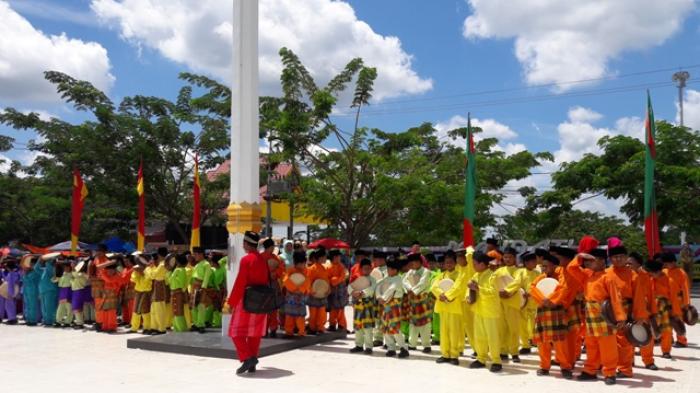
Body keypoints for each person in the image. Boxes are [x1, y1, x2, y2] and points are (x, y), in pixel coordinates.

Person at [567, 249, 626, 386]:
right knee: (591, 344)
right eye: (587, 261)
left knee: (608, 346)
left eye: (590, 260)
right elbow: (571, 268)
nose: (587, 263)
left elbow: (616, 299)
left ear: (600, 261)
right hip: (590, 313)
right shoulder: (587, 275)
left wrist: (620, 317)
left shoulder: (608, 277)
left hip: (604, 313)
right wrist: (580, 256)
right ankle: (590, 371)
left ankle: (610, 372)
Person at [226, 231, 269, 375]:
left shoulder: (246, 260)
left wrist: (231, 302)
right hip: (261, 301)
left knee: (235, 331)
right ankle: (252, 362)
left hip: (246, 301)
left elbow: (240, 283)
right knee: (254, 333)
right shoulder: (263, 259)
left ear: (245, 243)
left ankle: (247, 358)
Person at [605, 245, 645, 378]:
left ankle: (625, 369)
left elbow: (639, 296)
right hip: (608, 311)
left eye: (621, 256)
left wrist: (639, 315)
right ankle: (608, 366)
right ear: (610, 259)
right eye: (615, 257)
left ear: (626, 258)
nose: (618, 259)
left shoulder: (633, 275)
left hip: (626, 310)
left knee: (624, 342)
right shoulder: (606, 273)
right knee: (608, 341)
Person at [529, 253, 567, 376]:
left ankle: (565, 367)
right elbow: (533, 288)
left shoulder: (560, 277)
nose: (544, 269)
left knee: (560, 342)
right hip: (542, 310)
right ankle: (544, 366)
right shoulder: (540, 278)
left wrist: (551, 300)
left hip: (555, 310)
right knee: (542, 341)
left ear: (554, 266)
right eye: (542, 266)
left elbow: (562, 289)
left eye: (546, 266)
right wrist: (542, 299)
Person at [468, 252, 503, 372]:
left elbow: (493, 292)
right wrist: (468, 297)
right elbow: (470, 290)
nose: (473, 266)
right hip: (478, 309)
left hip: (490, 311)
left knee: (492, 337)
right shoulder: (476, 275)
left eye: (475, 264)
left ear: (483, 264)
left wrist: (478, 288)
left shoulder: (493, 276)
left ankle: (496, 361)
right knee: (479, 336)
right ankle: (481, 358)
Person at [431, 250, 463, 365]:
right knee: (444, 331)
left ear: (455, 263)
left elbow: (457, 288)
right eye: (446, 262)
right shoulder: (441, 275)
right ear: (444, 264)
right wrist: (441, 295)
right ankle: (445, 354)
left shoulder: (459, 275)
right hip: (443, 306)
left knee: (454, 332)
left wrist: (447, 296)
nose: (448, 264)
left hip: (453, 306)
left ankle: (454, 355)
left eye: (451, 262)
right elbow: (434, 287)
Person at [628, 252, 659, 370]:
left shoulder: (646, 276)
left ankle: (649, 361)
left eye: (631, 263)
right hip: (628, 310)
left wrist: (653, 312)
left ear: (638, 264)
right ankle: (628, 361)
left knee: (646, 336)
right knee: (628, 336)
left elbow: (651, 295)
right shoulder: (625, 274)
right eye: (627, 263)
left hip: (643, 310)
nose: (628, 265)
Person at [647, 256, 682, 359]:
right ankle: (648, 351)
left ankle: (666, 351)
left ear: (658, 271)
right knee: (651, 329)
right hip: (652, 306)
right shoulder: (650, 279)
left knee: (666, 330)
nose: (650, 275)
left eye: (652, 273)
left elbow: (674, 299)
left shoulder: (670, 281)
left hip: (665, 308)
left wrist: (675, 313)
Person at [377, 257, 409, 358]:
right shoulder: (386, 278)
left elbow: (392, 289)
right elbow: (378, 286)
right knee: (386, 328)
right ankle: (391, 348)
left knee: (395, 328)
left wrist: (382, 298)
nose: (388, 271)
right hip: (385, 305)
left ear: (395, 270)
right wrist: (378, 296)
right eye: (388, 269)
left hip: (394, 306)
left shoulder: (398, 279)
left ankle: (403, 348)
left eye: (390, 269)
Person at [494, 246, 522, 362]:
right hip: (500, 302)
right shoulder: (499, 270)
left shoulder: (519, 271)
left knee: (514, 329)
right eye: (505, 257)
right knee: (501, 328)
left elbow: (517, 282)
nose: (507, 259)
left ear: (514, 258)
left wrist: (507, 291)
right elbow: (492, 281)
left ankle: (514, 352)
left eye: (510, 257)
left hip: (512, 302)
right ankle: (503, 351)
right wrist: (498, 291)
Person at [509, 252, 539, 354]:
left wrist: (532, 294)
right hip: (523, 303)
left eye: (535, 260)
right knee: (523, 324)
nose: (535, 263)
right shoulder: (520, 272)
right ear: (526, 262)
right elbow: (516, 284)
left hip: (534, 302)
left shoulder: (537, 273)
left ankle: (533, 339)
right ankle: (525, 345)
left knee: (534, 323)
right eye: (533, 261)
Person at [403, 253, 432, 353]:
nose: (414, 264)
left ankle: (426, 345)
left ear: (420, 262)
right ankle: (412, 344)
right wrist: (410, 289)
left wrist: (412, 291)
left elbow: (423, 284)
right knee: (412, 323)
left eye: (416, 262)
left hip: (423, 299)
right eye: (412, 262)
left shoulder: (426, 271)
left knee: (425, 323)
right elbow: (404, 281)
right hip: (412, 300)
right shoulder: (410, 272)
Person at [348, 258, 377, 354]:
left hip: (368, 306)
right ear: (360, 269)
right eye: (365, 268)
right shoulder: (357, 278)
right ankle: (359, 345)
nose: (367, 270)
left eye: (369, 268)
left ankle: (369, 347)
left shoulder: (373, 280)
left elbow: (371, 290)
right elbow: (349, 287)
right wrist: (353, 292)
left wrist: (361, 293)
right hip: (358, 306)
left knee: (368, 328)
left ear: (371, 269)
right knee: (358, 327)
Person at [661, 252, 690, 348]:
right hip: (666, 301)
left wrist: (686, 303)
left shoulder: (681, 273)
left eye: (667, 263)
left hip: (678, 301)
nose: (665, 265)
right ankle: (669, 339)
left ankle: (682, 341)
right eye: (665, 263)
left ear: (674, 262)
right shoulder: (664, 272)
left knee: (678, 321)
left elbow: (685, 289)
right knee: (667, 321)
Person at [283, 250, 310, 338]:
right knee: (289, 315)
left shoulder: (306, 271)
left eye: (304, 263)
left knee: (300, 316)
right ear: (296, 263)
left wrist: (301, 290)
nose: (303, 265)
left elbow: (307, 282)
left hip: (299, 296)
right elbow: (286, 280)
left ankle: (301, 331)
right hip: (291, 295)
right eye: (301, 263)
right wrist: (294, 289)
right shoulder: (291, 270)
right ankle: (289, 331)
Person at [99, 257, 126, 333]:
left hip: (113, 297)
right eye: (108, 270)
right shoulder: (106, 275)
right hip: (105, 296)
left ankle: (112, 327)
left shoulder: (117, 277)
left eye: (111, 270)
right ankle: (105, 326)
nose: (109, 271)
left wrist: (105, 272)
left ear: (114, 270)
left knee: (111, 312)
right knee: (105, 311)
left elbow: (109, 280)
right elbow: (99, 268)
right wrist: (109, 263)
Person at [306, 248, 330, 334]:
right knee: (313, 313)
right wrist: (310, 290)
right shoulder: (311, 268)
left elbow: (327, 281)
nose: (325, 259)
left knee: (321, 312)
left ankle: (320, 327)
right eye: (324, 257)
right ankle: (312, 328)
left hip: (322, 293)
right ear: (319, 258)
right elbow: (308, 281)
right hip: (314, 294)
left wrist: (328, 289)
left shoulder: (324, 268)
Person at [191, 247, 213, 333]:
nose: (194, 256)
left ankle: (201, 324)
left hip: (201, 286)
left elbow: (206, 277)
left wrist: (203, 288)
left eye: (196, 254)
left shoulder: (206, 264)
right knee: (193, 306)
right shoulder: (197, 264)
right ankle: (196, 323)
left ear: (201, 254)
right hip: (195, 286)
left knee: (201, 305)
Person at [147, 248, 169, 334]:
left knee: (159, 308)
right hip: (157, 285)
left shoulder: (162, 264)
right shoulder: (161, 264)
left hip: (159, 285)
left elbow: (153, 275)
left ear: (159, 255)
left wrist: (149, 268)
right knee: (154, 308)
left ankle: (161, 328)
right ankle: (154, 327)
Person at [326, 249, 349, 332]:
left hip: (340, 290)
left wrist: (334, 280)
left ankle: (341, 325)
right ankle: (332, 324)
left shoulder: (341, 266)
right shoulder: (328, 266)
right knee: (333, 309)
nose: (339, 258)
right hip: (333, 290)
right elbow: (327, 278)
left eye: (339, 256)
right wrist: (333, 281)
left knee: (341, 308)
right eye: (337, 256)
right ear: (333, 257)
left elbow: (343, 276)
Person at [130, 257, 153, 334]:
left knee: (146, 310)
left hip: (146, 291)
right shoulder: (137, 268)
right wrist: (137, 272)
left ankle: (147, 327)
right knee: (136, 309)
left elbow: (148, 280)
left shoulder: (149, 269)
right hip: (138, 291)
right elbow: (133, 279)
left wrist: (142, 273)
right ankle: (134, 327)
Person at [370, 250, 388, 346]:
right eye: (377, 259)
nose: (379, 261)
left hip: (386, 298)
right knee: (377, 318)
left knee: (386, 318)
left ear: (384, 260)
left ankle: (388, 340)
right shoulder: (374, 270)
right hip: (376, 298)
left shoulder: (388, 270)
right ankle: (378, 338)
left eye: (381, 259)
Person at [169, 254, 190, 332]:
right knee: (175, 312)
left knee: (178, 311)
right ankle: (176, 328)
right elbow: (169, 281)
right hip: (174, 292)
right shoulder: (177, 270)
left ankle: (182, 329)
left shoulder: (181, 270)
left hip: (178, 292)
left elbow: (181, 283)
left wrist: (174, 276)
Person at [36, 256, 58, 326]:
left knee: (49, 307)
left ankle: (50, 321)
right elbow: (36, 268)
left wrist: (47, 258)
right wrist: (39, 261)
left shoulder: (53, 269)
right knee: (44, 307)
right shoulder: (44, 270)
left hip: (50, 290)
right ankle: (46, 320)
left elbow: (48, 265)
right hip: (43, 290)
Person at [21, 257, 41, 326]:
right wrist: (25, 272)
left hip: (33, 291)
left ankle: (33, 320)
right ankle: (28, 319)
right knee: (28, 306)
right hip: (27, 291)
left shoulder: (35, 272)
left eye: (31, 264)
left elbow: (28, 279)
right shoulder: (27, 272)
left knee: (32, 306)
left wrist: (26, 273)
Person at [70, 260, 89, 329]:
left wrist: (73, 267)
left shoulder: (81, 274)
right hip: (76, 291)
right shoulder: (79, 274)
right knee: (77, 308)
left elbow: (74, 274)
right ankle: (79, 322)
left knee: (77, 307)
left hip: (79, 291)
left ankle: (80, 323)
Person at [54, 261, 74, 327]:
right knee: (60, 308)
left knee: (69, 308)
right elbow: (54, 280)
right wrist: (56, 274)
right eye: (64, 267)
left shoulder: (72, 274)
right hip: (62, 291)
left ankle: (68, 322)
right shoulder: (62, 274)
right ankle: (58, 321)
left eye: (67, 267)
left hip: (69, 291)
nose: (65, 268)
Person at [1, 259, 21, 324]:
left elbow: (10, 285)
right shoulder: (16, 273)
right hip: (14, 292)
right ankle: (12, 318)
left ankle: (12, 319)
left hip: (10, 293)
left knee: (9, 306)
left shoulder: (11, 274)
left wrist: (10, 294)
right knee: (12, 306)